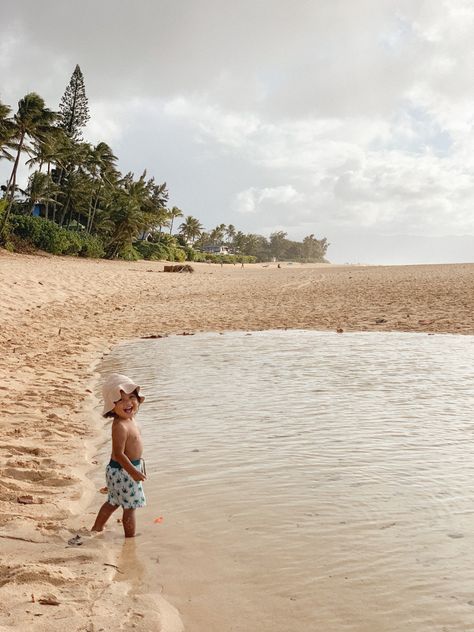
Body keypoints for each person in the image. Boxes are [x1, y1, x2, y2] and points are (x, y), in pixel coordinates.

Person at [92, 373, 147, 537]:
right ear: (112, 405)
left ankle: (97, 527)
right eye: (121, 400)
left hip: (120, 471)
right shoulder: (120, 426)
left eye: (131, 397)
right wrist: (133, 472)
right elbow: (119, 453)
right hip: (124, 471)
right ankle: (130, 539)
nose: (128, 403)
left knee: (113, 501)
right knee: (130, 508)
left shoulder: (130, 420)